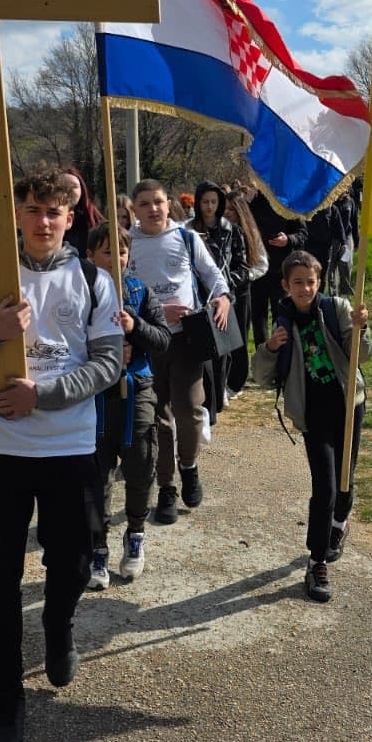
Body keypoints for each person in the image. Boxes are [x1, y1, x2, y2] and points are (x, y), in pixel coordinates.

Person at [0, 167, 123, 742]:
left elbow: (108, 365)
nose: (44, 222)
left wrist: (40, 396)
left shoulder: (94, 281)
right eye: (33, 210)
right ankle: (7, 694)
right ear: (16, 215)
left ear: (71, 218)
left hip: (70, 449)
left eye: (55, 212)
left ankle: (58, 625)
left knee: (70, 567)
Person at [251, 249, 372, 604]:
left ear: (319, 281)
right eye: (298, 282)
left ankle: (340, 524)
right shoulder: (283, 323)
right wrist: (270, 348)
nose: (305, 288)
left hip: (349, 408)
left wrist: (361, 329)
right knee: (326, 489)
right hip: (313, 417)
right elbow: (261, 376)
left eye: (311, 281)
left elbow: (360, 356)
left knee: (346, 479)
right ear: (286, 285)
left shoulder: (336, 309)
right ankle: (317, 561)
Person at [126, 178, 231, 525]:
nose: (153, 209)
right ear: (135, 209)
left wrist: (223, 299)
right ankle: (167, 487)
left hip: (187, 340)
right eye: (145, 204)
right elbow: (121, 292)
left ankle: (189, 465)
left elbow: (213, 276)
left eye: (158, 202)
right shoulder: (128, 244)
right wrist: (155, 312)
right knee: (158, 418)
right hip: (149, 342)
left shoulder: (186, 237)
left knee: (189, 411)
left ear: (168, 203)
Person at [85, 222, 169, 589]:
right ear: (90, 257)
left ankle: (134, 534)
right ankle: (97, 548)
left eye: (120, 252)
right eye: (106, 253)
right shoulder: (78, 295)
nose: (114, 260)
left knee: (139, 463)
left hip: (137, 389)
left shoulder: (140, 292)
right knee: (95, 473)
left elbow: (163, 340)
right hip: (94, 396)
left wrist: (135, 329)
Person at [185, 180, 249, 425]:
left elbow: (241, 265)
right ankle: (203, 404)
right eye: (205, 202)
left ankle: (218, 397)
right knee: (202, 354)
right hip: (196, 298)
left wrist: (226, 284)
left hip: (222, 297)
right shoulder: (187, 230)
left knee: (223, 352)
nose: (209, 207)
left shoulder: (231, 230)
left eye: (214, 202)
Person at [224, 184, 269, 397]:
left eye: (231, 210)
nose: (226, 214)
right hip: (220, 293)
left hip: (241, 292)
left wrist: (244, 277)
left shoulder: (249, 233)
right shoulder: (217, 232)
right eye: (224, 209)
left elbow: (262, 264)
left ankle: (236, 381)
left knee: (239, 335)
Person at [248, 188, 305, 347]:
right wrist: (246, 200)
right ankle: (263, 353)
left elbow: (302, 233)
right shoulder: (253, 204)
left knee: (281, 315)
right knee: (258, 318)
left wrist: (288, 239)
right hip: (257, 271)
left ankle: (283, 353)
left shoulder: (287, 203)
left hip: (281, 272)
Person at [60, 166, 105, 256]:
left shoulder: (93, 216)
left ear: (82, 190)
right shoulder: (47, 218)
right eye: (63, 186)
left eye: (74, 186)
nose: (69, 190)